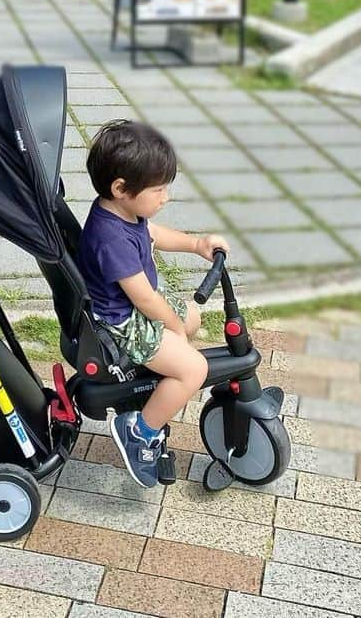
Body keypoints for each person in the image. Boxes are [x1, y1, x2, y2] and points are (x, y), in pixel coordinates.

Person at [77, 120, 229, 487]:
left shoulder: (125, 211)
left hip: (133, 312)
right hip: (120, 324)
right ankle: (140, 431)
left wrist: (196, 245)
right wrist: (171, 329)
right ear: (120, 188)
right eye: (159, 189)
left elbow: (154, 235)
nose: (166, 197)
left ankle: (155, 382)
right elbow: (144, 298)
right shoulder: (110, 237)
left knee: (192, 316)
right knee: (194, 369)